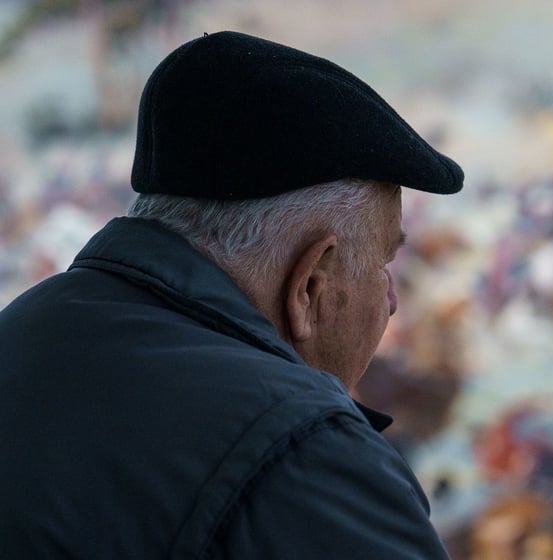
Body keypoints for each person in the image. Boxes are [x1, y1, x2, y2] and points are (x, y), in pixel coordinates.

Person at [0, 31, 463, 558]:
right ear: (310, 284)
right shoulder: (305, 456)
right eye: (384, 264)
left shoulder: (19, 331)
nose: (393, 299)